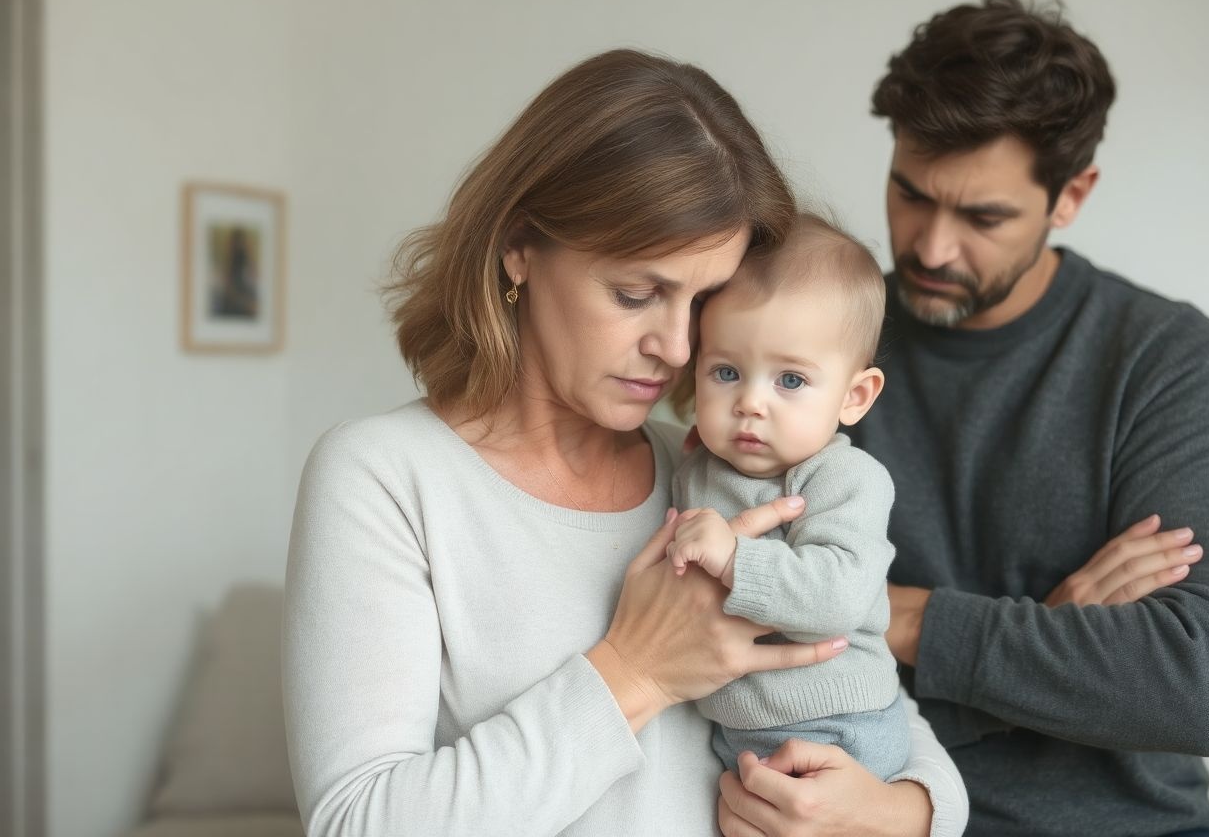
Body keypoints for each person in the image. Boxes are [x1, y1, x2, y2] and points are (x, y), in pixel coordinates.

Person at [282, 49, 968, 837]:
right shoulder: (386, 477)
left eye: (704, 301)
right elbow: (355, 823)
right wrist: (633, 672)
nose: (677, 348)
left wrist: (899, 814)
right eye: (636, 294)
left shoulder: (707, 470)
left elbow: (871, 685)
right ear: (519, 247)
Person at [848, 0, 1209, 836]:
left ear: (1071, 195)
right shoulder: (817, 347)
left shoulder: (1164, 359)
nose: (932, 247)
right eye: (910, 194)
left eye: (983, 217)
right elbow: (761, 643)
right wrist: (1047, 638)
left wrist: (902, 617)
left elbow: (1192, 680)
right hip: (878, 817)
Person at [666, 213, 907, 779]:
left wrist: (733, 558)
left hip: (839, 722)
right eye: (725, 372)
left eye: (790, 381)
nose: (750, 402)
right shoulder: (696, 462)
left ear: (855, 396)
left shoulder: (846, 478)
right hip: (738, 730)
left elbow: (839, 596)